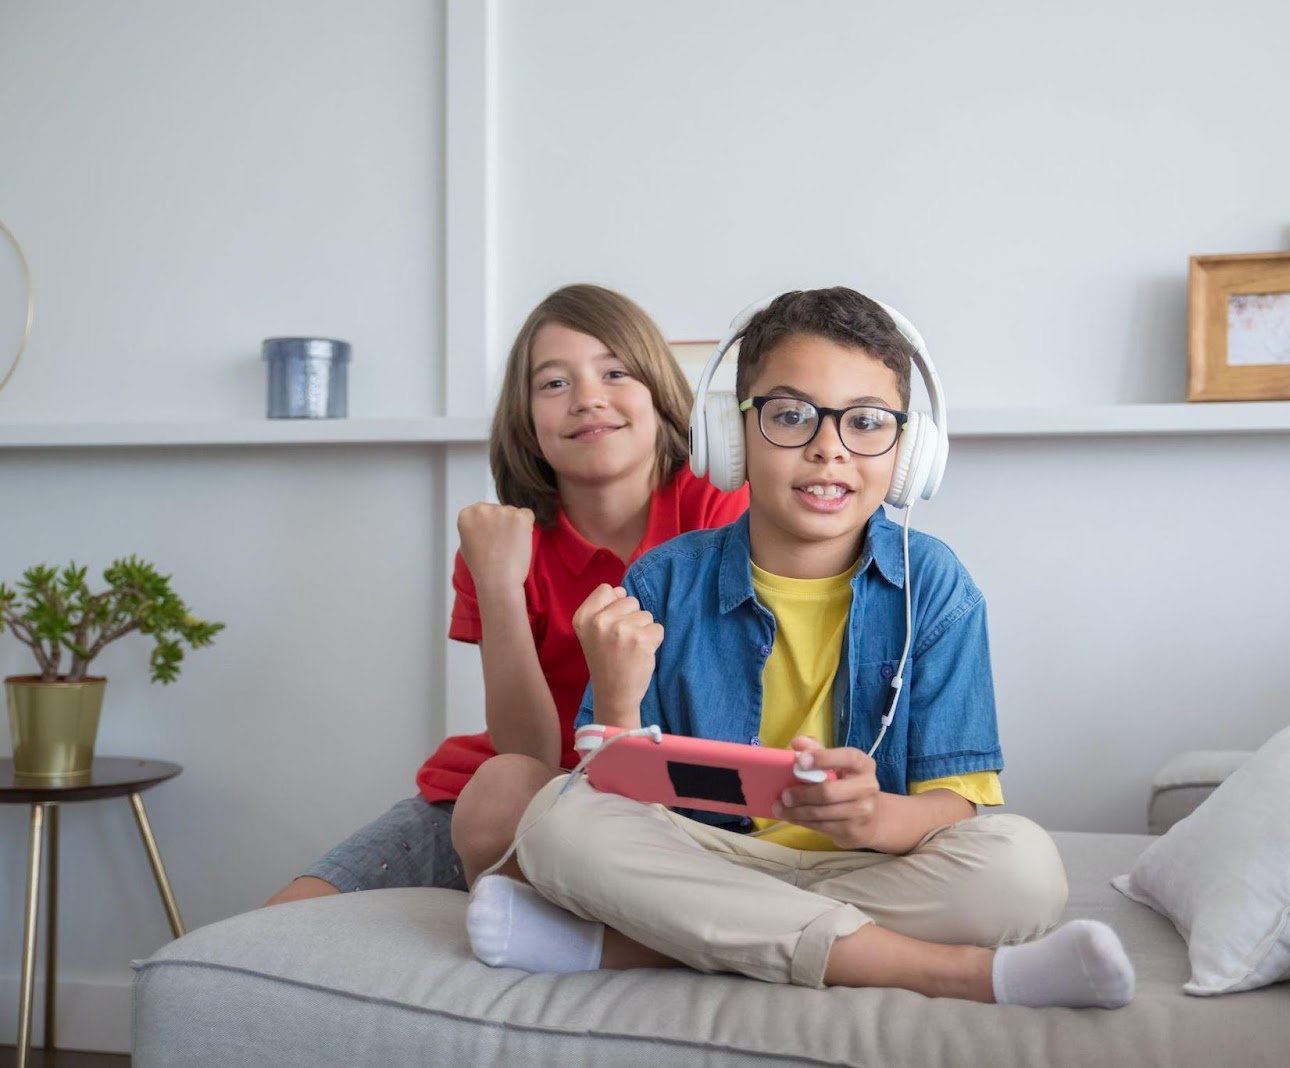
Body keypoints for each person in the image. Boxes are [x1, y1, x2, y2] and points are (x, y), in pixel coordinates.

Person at [457, 287, 1135, 1009]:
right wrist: (618, 695)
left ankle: (642, 944)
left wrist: (875, 817)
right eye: (789, 416)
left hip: (861, 869)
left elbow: (955, 806)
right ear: (732, 436)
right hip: (706, 854)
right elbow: (618, 795)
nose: (829, 448)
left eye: (868, 423)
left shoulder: (935, 585)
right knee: (562, 824)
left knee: (1023, 868)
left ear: (909, 454)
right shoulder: (664, 578)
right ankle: (946, 972)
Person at [265, 284, 748, 906]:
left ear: (660, 393)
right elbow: (529, 754)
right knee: (282, 920)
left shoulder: (719, 510)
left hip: (654, 793)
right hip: (502, 790)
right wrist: (497, 584)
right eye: (554, 383)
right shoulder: (498, 543)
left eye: (615, 372)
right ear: (526, 417)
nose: (588, 399)